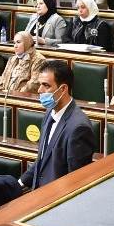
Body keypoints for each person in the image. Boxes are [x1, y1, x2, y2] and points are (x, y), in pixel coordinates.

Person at [20, 60, 96, 190]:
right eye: (40, 84)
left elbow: (76, 180)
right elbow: (43, 159)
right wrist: (19, 183)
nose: (39, 90)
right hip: (39, 193)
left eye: (46, 85)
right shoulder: (50, 112)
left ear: (63, 89)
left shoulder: (79, 128)